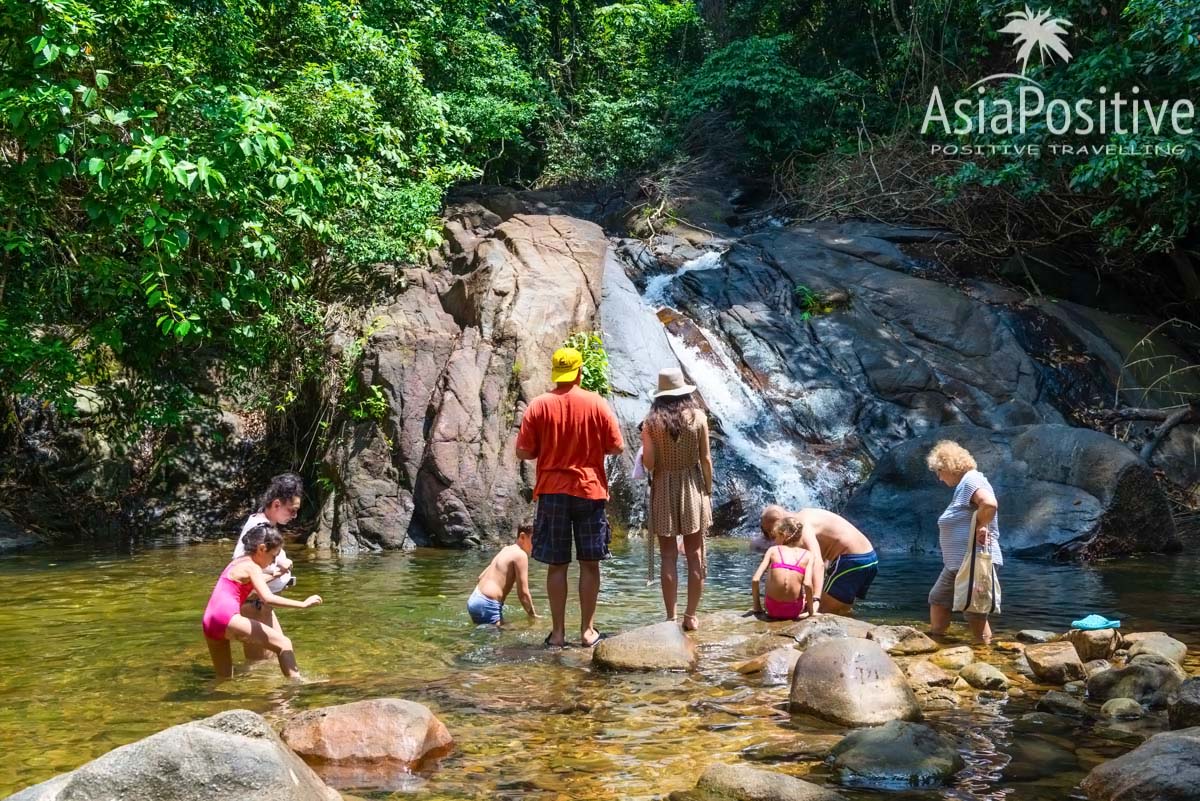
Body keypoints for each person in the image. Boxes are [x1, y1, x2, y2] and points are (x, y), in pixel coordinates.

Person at [515, 347, 624, 648]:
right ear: (579, 372)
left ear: (556, 373)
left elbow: (523, 451)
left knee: (557, 565)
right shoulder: (596, 403)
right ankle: (587, 631)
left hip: (552, 493)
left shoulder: (538, 406)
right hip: (589, 491)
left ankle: (558, 634)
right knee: (590, 563)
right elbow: (617, 447)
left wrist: (547, 447)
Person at [640, 367, 713, 631]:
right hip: (693, 487)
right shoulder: (699, 418)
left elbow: (649, 464)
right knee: (695, 554)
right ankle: (691, 616)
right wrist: (708, 489)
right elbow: (705, 459)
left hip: (663, 487)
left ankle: (670, 617)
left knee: (668, 556)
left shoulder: (650, 423)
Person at [201, 523, 322, 679]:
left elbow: (250, 583)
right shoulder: (252, 567)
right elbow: (268, 598)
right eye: (273, 556)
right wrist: (303, 604)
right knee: (284, 644)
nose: (272, 562)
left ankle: (218, 701)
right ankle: (296, 687)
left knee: (224, 678)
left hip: (209, 621)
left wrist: (277, 574)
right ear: (262, 549)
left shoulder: (238, 562)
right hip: (227, 617)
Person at [926, 440, 1002, 644]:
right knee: (940, 599)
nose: (939, 478)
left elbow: (989, 504)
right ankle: (937, 640)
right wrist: (981, 524)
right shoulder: (966, 484)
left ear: (948, 467)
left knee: (974, 610)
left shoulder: (971, 481)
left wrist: (981, 526)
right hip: (960, 562)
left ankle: (984, 651)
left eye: (939, 472)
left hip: (971, 560)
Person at [759, 505, 878, 615]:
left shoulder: (803, 527)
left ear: (778, 526)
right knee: (842, 610)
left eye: (771, 533)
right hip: (869, 558)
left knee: (821, 612)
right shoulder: (806, 514)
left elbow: (818, 563)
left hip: (851, 561)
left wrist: (816, 599)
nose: (772, 539)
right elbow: (823, 561)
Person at [233, 472, 302, 661]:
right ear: (276, 504)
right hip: (253, 605)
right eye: (292, 510)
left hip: (259, 605)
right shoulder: (258, 529)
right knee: (260, 667)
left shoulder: (264, 526)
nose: (295, 516)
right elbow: (241, 575)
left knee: (277, 656)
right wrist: (279, 571)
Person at [468, 524, 539, 625]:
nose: (538, 544)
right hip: (488, 603)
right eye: (535, 540)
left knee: (502, 629)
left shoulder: (506, 549)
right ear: (522, 536)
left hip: (475, 597)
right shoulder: (521, 555)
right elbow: (523, 594)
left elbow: (480, 577)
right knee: (499, 636)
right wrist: (532, 616)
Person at [751, 516, 815, 620]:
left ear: (783, 535)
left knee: (770, 571)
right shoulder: (808, 555)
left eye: (776, 537)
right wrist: (811, 612)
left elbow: (755, 580)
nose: (775, 540)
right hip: (794, 610)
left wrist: (757, 607)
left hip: (772, 609)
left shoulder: (773, 550)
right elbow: (808, 584)